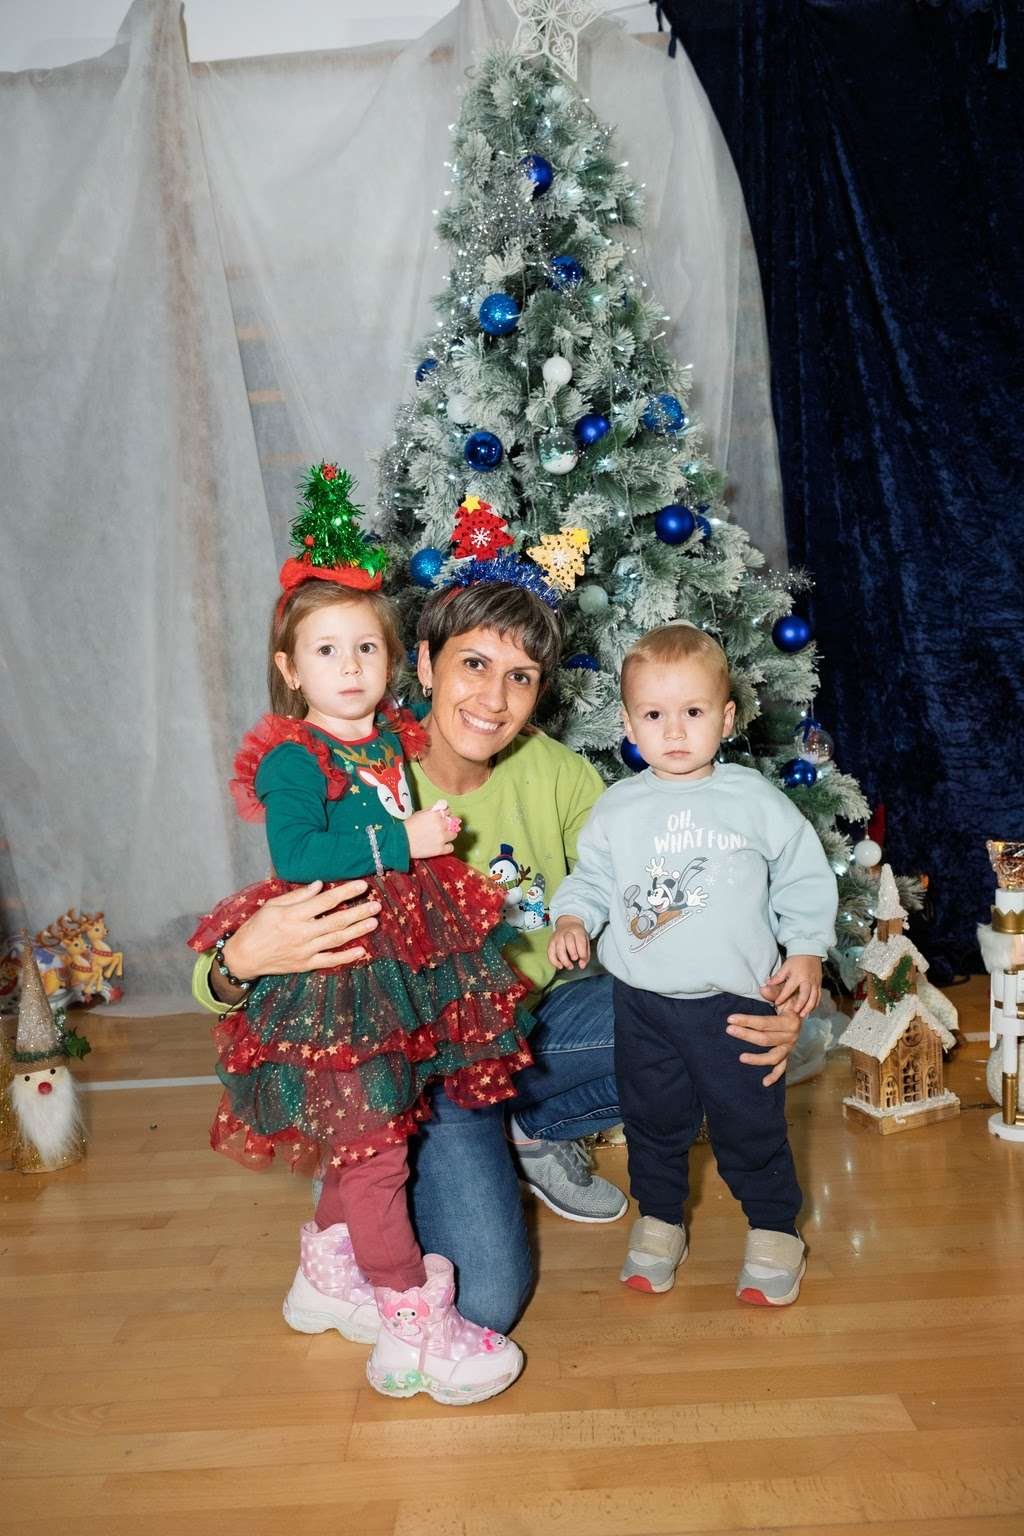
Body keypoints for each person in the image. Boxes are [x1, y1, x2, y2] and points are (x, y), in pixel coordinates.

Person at [193, 581, 804, 1335]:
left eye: (521, 676)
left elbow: (683, 879)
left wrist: (766, 992)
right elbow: (243, 959)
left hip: (538, 1027)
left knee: (714, 1031)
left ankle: (533, 1131)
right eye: (473, 665)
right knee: (485, 1299)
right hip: (431, 1071)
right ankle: (389, 1157)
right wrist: (237, 963)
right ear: (424, 664)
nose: (494, 698)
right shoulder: (368, 767)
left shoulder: (559, 775)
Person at [188, 463, 535, 1405]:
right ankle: (408, 1328)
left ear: (394, 661)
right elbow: (297, 854)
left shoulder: (385, 737)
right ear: (289, 668)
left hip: (395, 964)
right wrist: (401, 840)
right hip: (336, 971)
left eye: (367, 649)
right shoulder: (293, 756)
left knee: (373, 1126)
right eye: (327, 651)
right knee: (375, 1148)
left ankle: (327, 1273)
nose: (350, 668)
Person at [549, 622, 837, 1306]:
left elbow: (801, 872)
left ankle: (774, 1229)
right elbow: (592, 878)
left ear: (726, 718)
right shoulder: (619, 807)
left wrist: (805, 947)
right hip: (642, 1004)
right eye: (654, 715)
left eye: (694, 712)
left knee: (749, 1122)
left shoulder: (752, 799)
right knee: (652, 1122)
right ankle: (659, 1219)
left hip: (735, 1005)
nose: (674, 731)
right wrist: (572, 917)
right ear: (628, 725)